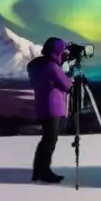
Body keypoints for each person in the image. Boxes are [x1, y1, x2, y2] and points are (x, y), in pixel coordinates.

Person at [26, 37, 73, 184]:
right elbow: (67, 85)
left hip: (42, 105)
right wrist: (69, 74)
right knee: (50, 140)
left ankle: (39, 170)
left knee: (47, 139)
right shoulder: (52, 67)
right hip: (53, 107)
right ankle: (44, 171)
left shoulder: (35, 65)